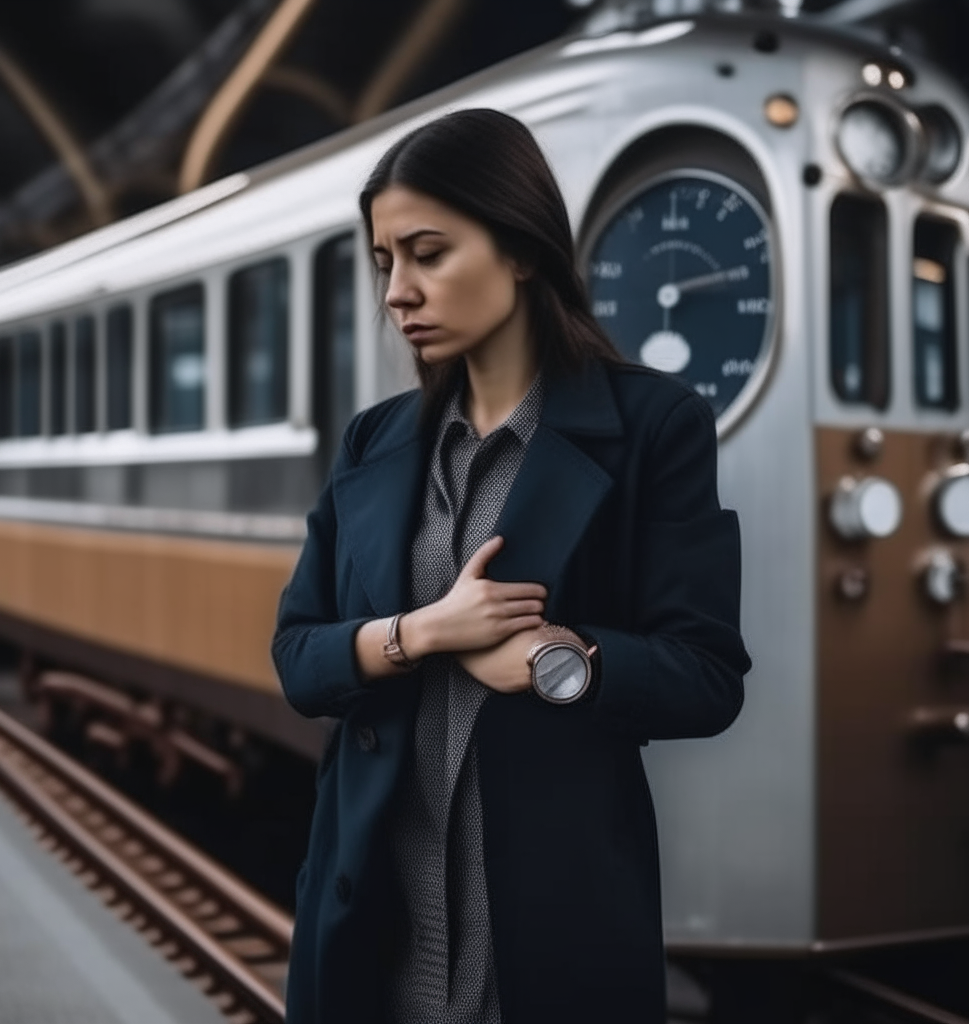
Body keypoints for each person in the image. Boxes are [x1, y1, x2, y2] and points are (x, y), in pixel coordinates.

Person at [272, 108, 750, 1024]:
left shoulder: (654, 429)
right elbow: (298, 658)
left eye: (428, 253)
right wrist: (422, 634)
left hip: (548, 939)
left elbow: (707, 676)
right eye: (386, 262)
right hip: (373, 931)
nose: (397, 293)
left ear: (523, 251)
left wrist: (551, 664)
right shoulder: (373, 443)